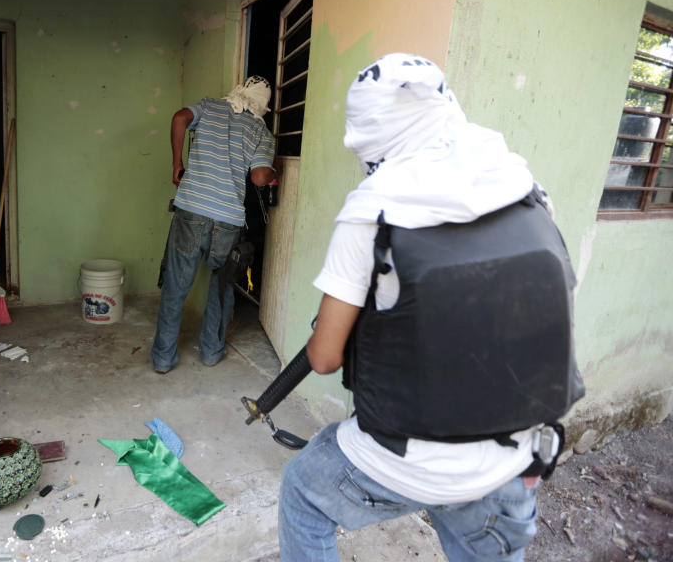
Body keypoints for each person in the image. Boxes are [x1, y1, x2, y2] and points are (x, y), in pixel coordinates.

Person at [277, 54, 584, 561]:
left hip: (405, 457)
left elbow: (326, 357)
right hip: (513, 455)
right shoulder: (524, 188)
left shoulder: (372, 210)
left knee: (303, 493)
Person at [150, 76, 278, 373]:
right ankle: (210, 352)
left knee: (175, 286)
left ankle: (163, 358)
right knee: (221, 289)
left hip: (192, 209)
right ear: (264, 104)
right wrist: (275, 169)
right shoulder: (261, 131)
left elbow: (180, 118)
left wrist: (176, 164)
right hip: (228, 219)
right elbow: (260, 178)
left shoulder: (210, 107)